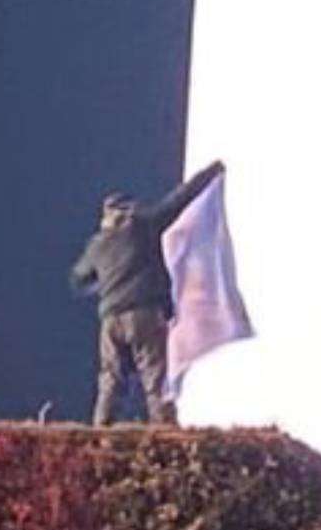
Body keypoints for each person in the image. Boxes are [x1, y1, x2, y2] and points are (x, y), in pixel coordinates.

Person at [71, 160, 226, 425]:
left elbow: (78, 278)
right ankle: (163, 432)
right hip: (143, 313)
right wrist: (213, 171)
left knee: (110, 378)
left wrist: (105, 286)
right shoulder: (144, 227)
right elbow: (180, 198)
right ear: (130, 210)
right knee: (154, 378)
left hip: (110, 319)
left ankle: (100, 431)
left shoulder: (98, 245)